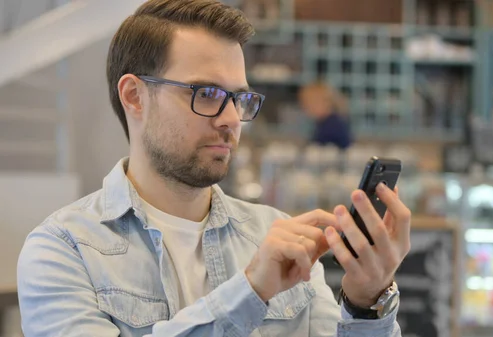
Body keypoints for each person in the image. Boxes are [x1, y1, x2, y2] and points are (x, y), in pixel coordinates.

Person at [17, 1, 411, 336]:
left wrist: (365, 304)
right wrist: (249, 291)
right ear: (134, 96)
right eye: (206, 94)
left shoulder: (273, 234)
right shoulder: (63, 250)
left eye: (239, 98)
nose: (231, 119)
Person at [299, 81, 353, 150]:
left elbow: (319, 146)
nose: (306, 108)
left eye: (309, 104)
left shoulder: (333, 125)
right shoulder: (325, 122)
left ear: (326, 102)